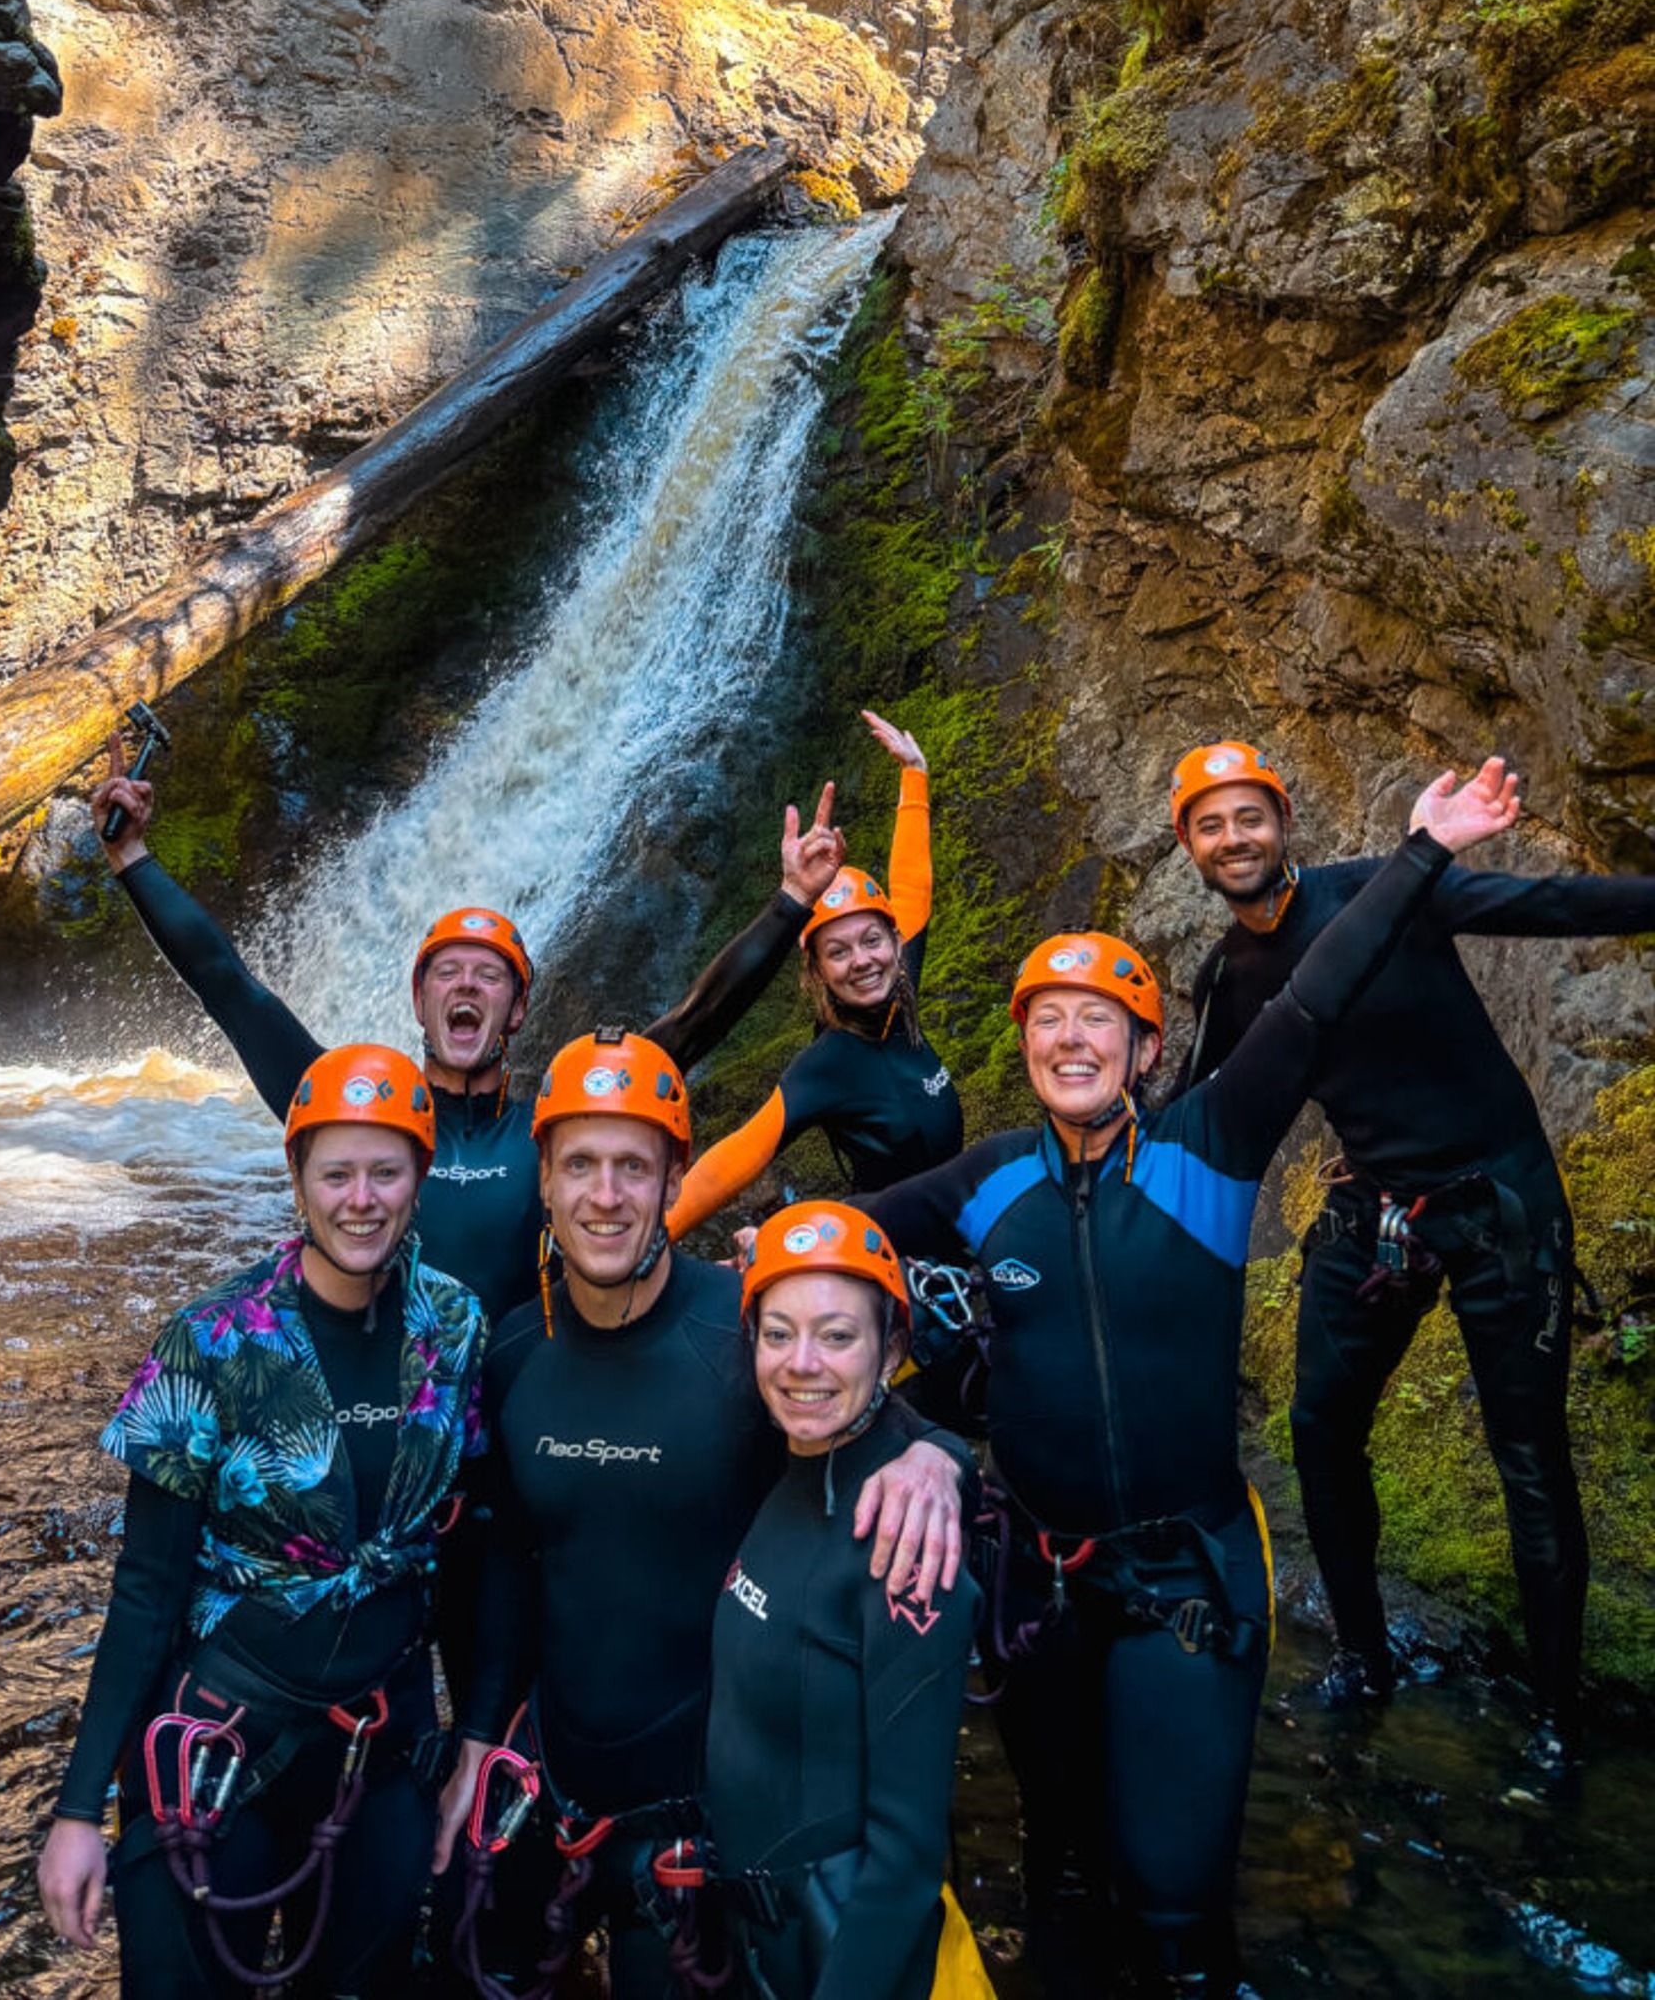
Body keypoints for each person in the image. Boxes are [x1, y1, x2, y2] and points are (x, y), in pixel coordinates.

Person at [865, 762, 1519, 1999]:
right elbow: (832, 1259)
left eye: (1095, 1017)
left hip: (1186, 1579)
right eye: (1044, 1018)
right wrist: (904, 1426)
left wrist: (1424, 850)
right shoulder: (985, 1181)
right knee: (1059, 1881)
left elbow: (1317, 997)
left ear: (1144, 1045)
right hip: (1036, 1586)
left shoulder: (1209, 1145)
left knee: (1172, 1912)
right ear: (1023, 1045)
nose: (1068, 1036)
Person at [430, 1030, 967, 1999]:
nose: (604, 1195)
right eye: (579, 1165)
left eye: (633, 1166)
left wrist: (939, 1459)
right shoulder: (512, 1353)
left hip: (697, 1830)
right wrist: (476, 1730)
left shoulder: (744, 1333)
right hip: (552, 1778)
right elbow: (514, 1554)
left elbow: (873, 1418)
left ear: (675, 1175)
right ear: (540, 1181)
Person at [1169, 738, 1655, 1771]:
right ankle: (1360, 1656)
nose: (1232, 837)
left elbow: (1549, 906)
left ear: (1281, 819)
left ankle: (1554, 1717)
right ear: (1188, 846)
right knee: (1315, 1426)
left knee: (1527, 1458)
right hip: (1374, 1211)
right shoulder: (1226, 979)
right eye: (1208, 824)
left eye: (1246, 815)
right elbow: (1187, 1121)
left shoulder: (1385, 889)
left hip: (1497, 1203)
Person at [91, 748, 848, 1321]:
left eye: (489, 976)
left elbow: (691, 1025)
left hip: (517, 1411)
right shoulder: (354, 1117)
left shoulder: (552, 1128)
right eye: (446, 973)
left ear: (517, 1011)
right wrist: (132, 858)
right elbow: (232, 990)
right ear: (419, 1002)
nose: (465, 985)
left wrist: (791, 901)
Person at [35, 1043, 485, 1996]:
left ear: (420, 1176)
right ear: (297, 1177)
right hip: (220, 1742)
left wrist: (479, 1735)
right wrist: (79, 1810)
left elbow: (471, 1549)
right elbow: (146, 1588)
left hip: (382, 1744)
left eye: (386, 1171)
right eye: (336, 1172)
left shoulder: (456, 1329)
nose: (360, 1198)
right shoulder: (211, 1339)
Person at [707, 1200, 991, 2000]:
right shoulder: (793, 1455)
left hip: (845, 1953)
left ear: (893, 1346)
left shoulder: (907, 1535)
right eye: (777, 1332)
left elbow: (904, 1858)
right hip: (761, 1932)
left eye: (838, 1335)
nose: (802, 1364)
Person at [671, 714, 958, 1237]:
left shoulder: (900, 985)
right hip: (893, 1266)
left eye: (872, 940)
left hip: (959, 1245)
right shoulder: (827, 1064)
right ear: (818, 972)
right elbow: (738, 1155)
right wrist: (653, 1235)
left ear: (895, 944)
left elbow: (912, 887)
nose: (863, 961)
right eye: (839, 952)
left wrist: (915, 776)